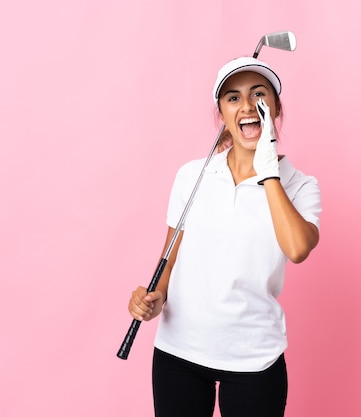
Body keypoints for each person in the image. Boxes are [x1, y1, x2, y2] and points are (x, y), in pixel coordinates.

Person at [128, 56, 321, 417]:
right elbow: (170, 258)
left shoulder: (300, 185)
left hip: (254, 358)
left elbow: (296, 248)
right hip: (179, 353)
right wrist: (153, 299)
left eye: (258, 94)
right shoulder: (192, 175)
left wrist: (268, 172)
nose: (247, 106)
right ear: (221, 112)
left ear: (276, 107)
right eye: (233, 98)